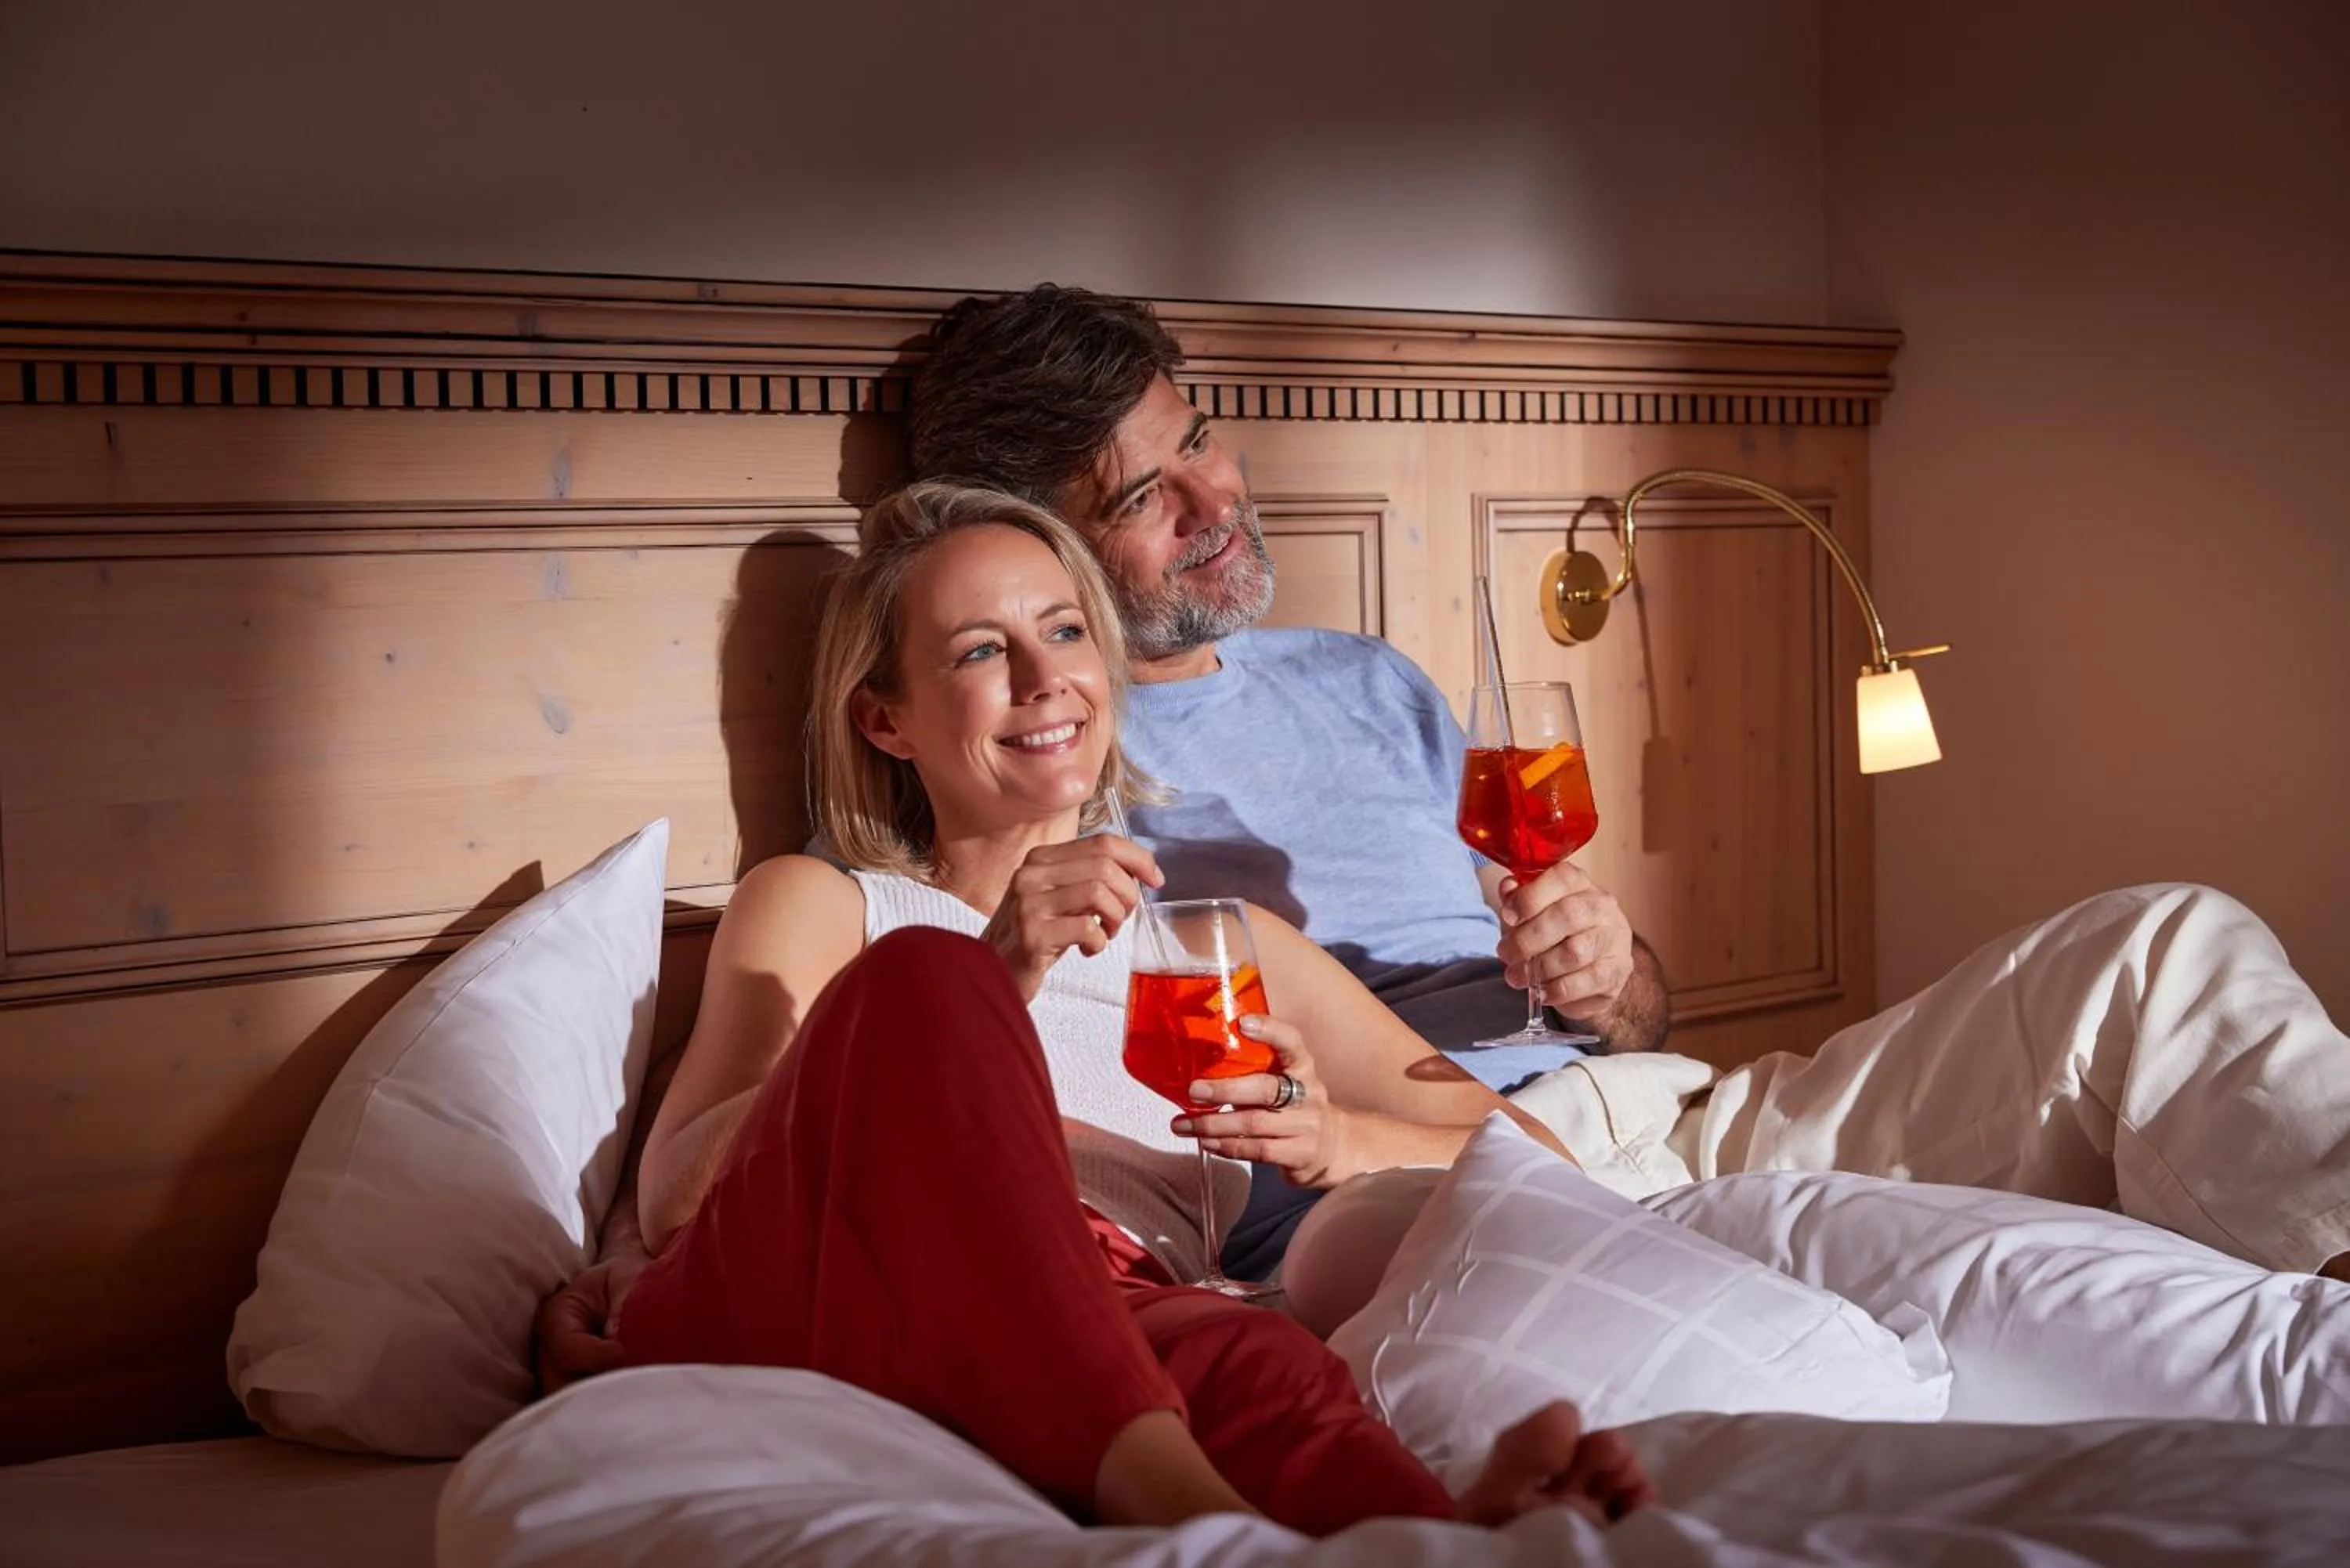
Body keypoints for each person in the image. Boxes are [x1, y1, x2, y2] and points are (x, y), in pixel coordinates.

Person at [902, 284, 2350, 1288]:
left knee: (2167, 946)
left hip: (1659, 1102)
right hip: (1459, 1190)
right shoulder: (1047, 772)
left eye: (1200, 433)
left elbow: (1635, 1004)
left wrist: (1612, 982)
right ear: (1040, 543)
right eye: (1145, 494)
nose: (1218, 494)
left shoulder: (1364, 677)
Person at [585, 480, 1656, 1536]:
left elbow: (1524, 1149)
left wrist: (1334, 1137)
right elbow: (684, 1195)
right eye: (978, 650)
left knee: (1261, 1359)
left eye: (1064, 630)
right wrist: (995, 971)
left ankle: (1451, 1538)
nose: (1045, 677)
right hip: (839, 1282)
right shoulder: (826, 903)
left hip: (1118, 1300)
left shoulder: (1215, 945)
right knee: (928, 976)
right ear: (886, 718)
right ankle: (1193, 1515)